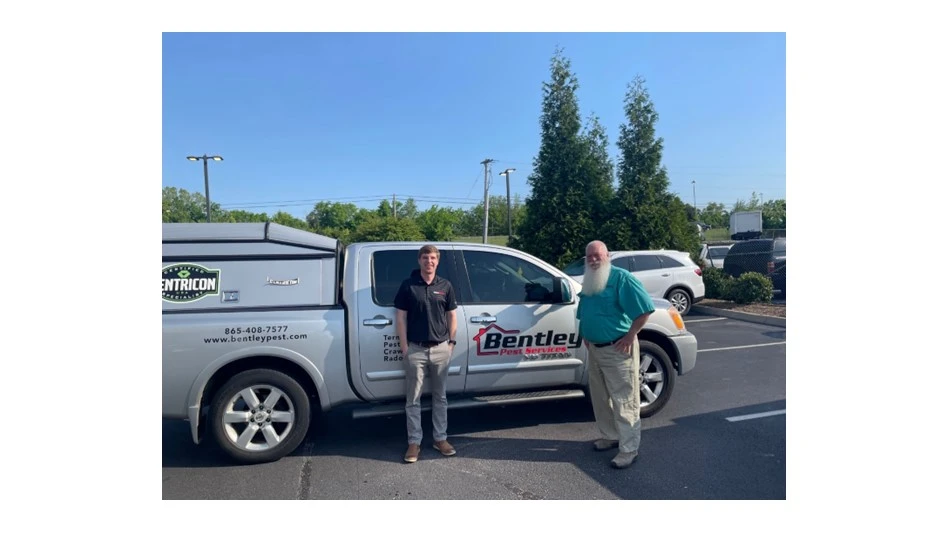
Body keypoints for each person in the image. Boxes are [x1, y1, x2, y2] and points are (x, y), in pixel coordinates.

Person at [576, 240, 655, 469]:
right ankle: (610, 436)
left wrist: (631, 335)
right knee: (600, 398)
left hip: (618, 349)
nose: (592, 260)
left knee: (624, 400)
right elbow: (585, 311)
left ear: (607, 256)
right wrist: (586, 334)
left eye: (596, 255)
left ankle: (629, 449)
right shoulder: (590, 281)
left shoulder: (622, 279)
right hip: (596, 350)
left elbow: (644, 309)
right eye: (589, 256)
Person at [394, 244, 459, 463]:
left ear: (437, 261)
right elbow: (400, 317)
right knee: (413, 398)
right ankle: (414, 442)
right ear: (419, 260)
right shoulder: (408, 286)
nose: (428, 261)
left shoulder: (445, 286)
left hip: (441, 348)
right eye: (424, 257)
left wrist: (451, 343)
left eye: (432, 258)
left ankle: (440, 438)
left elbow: (452, 316)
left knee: (440, 397)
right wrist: (404, 347)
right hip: (416, 349)